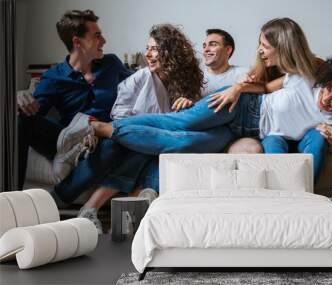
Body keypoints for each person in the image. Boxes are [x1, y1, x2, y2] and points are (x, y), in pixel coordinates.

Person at [59, 18, 332, 184]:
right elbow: (265, 89)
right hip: (241, 107)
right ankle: (98, 126)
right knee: (180, 123)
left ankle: (293, 201)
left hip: (253, 130)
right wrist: (236, 89)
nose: (327, 100)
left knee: (184, 141)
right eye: (330, 91)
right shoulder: (308, 76)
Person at [54, 24, 233, 233]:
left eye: (154, 48)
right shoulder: (142, 77)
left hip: (158, 140)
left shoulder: (188, 82)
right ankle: (102, 206)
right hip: (129, 136)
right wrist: (144, 128)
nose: (148, 54)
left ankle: (101, 210)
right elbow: (119, 114)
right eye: (147, 48)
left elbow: (189, 122)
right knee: (141, 150)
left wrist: (189, 104)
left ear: (171, 52)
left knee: (160, 150)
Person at [17, 10, 131, 189]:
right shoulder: (54, 77)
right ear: (77, 42)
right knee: (21, 120)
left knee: (114, 142)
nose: (104, 41)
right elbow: (33, 113)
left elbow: (141, 83)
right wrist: (18, 98)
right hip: (69, 139)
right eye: (97, 36)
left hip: (105, 135)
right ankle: (10, 196)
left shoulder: (112, 64)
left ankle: (65, 193)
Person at [201, 29, 248, 96]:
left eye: (213, 44)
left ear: (228, 50)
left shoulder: (244, 73)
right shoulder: (196, 78)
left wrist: (241, 86)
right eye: (204, 46)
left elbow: (265, 87)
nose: (206, 50)